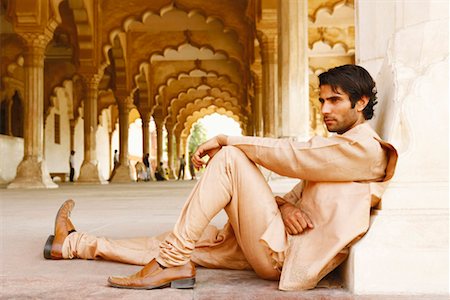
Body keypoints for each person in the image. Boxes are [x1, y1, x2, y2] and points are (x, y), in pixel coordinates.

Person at [43, 65, 397, 291]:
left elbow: (296, 154)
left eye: (335, 100)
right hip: (274, 239)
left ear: (362, 102)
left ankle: (172, 263)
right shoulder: (340, 152)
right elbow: (299, 189)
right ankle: (73, 244)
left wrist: (229, 139)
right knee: (178, 240)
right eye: (322, 101)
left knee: (229, 159)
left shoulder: (365, 150)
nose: (325, 110)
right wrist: (283, 207)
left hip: (284, 255)